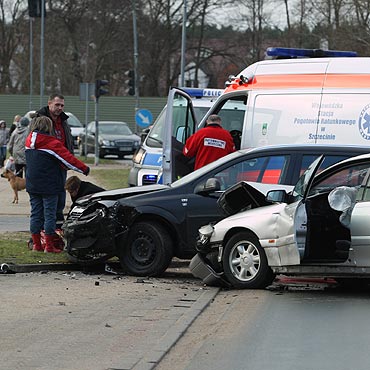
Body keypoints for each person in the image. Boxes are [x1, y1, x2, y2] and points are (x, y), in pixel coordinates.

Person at [25, 116, 90, 253]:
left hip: (32, 183)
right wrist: (84, 169)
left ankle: (37, 245)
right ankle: (49, 246)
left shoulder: (29, 139)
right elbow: (68, 159)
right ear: (49, 127)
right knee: (50, 215)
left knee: (35, 214)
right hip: (49, 185)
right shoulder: (51, 143)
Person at [36, 94, 73, 229]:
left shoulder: (64, 121)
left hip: (61, 166)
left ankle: (56, 229)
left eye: (62, 105)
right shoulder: (39, 119)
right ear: (49, 103)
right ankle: (42, 231)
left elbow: (68, 141)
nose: (60, 108)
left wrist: (70, 157)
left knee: (60, 198)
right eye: (57, 105)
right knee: (44, 200)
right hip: (45, 167)